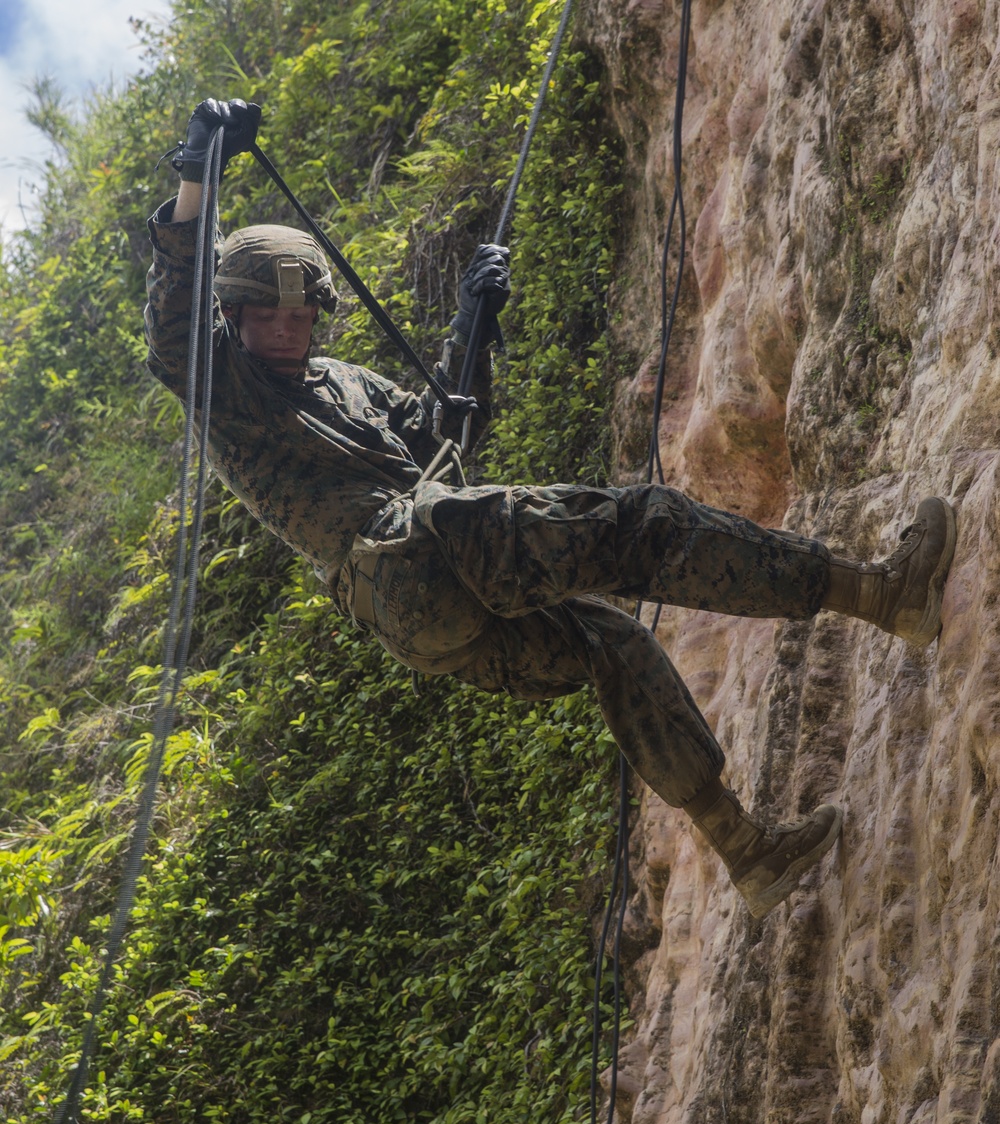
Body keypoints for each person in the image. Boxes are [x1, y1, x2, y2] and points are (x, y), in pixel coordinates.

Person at [145, 99, 957, 920]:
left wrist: (471, 327)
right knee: (639, 525)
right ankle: (885, 593)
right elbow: (176, 323)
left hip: (424, 609)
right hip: (412, 559)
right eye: (267, 316)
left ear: (317, 314)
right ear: (235, 319)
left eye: (299, 313)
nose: (287, 328)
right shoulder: (231, 397)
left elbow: (441, 434)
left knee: (613, 643)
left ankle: (749, 853)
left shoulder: (346, 382)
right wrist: (196, 171)